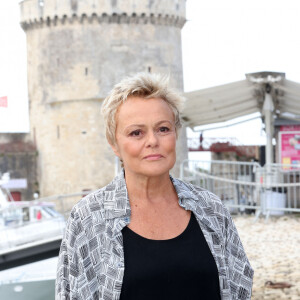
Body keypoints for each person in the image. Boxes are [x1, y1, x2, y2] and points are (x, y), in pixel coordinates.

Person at [56, 73, 253, 300]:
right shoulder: (88, 218)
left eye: (163, 129)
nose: (152, 141)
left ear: (176, 134)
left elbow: (240, 288)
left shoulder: (211, 208)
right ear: (114, 144)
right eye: (136, 132)